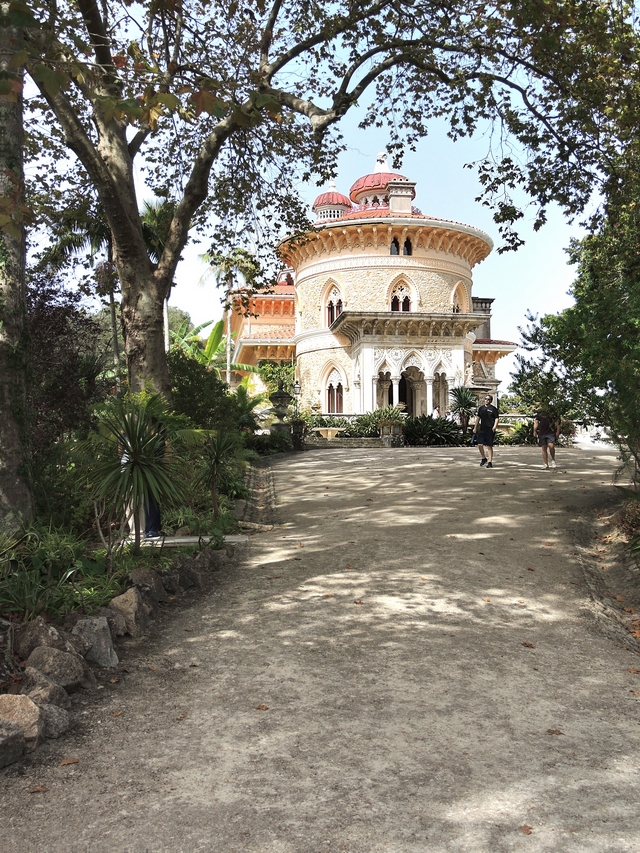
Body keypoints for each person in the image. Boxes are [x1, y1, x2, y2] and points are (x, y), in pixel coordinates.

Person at [472, 394, 500, 468]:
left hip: (490, 429)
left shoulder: (493, 409)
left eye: (488, 399)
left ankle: (490, 462)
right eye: (486, 399)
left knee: (489, 446)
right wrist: (475, 427)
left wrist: (494, 426)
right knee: (480, 444)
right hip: (482, 429)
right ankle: (483, 458)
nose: (486, 400)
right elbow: (478, 418)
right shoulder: (481, 408)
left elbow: (497, 418)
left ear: (491, 401)